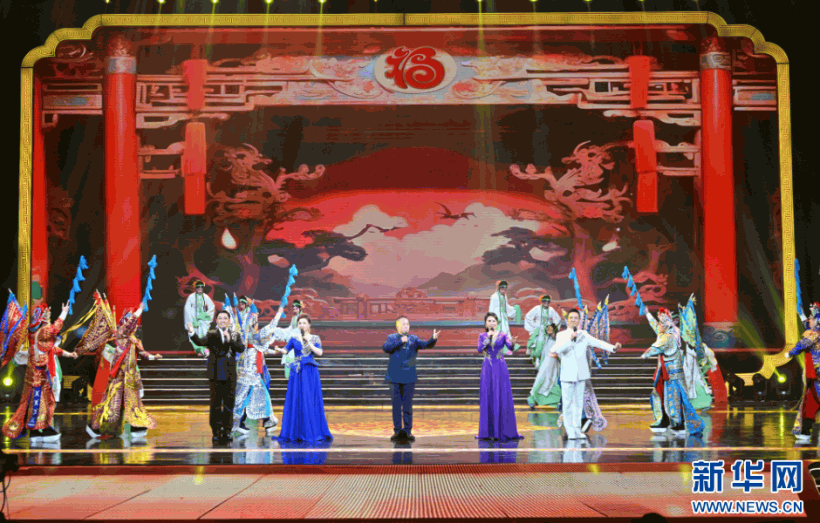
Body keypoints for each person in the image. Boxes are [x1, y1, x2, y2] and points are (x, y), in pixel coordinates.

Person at [2, 301, 78, 442]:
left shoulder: (37, 334)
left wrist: (69, 354)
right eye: (48, 317)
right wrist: (64, 312)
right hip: (37, 376)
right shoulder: (41, 332)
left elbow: (53, 349)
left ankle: (40, 429)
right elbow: (55, 328)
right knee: (39, 402)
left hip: (41, 374)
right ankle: (36, 431)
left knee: (44, 401)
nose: (49, 321)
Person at [86, 302, 162, 440]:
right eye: (130, 320)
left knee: (133, 403)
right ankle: (95, 427)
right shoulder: (120, 334)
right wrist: (139, 310)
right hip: (118, 377)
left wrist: (152, 357)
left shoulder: (134, 340)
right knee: (112, 405)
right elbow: (127, 327)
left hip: (131, 377)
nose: (133, 324)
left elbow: (143, 353)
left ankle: (136, 427)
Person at [550, 309, 620, 440]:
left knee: (578, 404)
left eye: (576, 318)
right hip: (567, 374)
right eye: (571, 318)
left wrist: (612, 348)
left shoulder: (584, 334)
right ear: (567, 320)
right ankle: (570, 431)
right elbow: (557, 349)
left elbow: (598, 343)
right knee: (567, 404)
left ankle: (577, 431)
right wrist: (570, 340)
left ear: (579, 320)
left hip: (581, 374)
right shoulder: (561, 335)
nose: (573, 320)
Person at [641, 308, 705, 437]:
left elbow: (652, 350)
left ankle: (678, 425)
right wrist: (647, 313)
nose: (658, 325)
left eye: (660, 322)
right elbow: (654, 325)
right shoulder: (666, 333)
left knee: (674, 397)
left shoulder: (670, 336)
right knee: (660, 395)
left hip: (673, 373)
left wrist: (644, 355)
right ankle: (663, 421)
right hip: (665, 371)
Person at [188, 310, 246, 444]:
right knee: (215, 405)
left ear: (229, 321)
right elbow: (200, 342)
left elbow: (241, 348)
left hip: (230, 375)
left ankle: (227, 431)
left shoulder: (235, 334)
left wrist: (230, 340)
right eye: (220, 318)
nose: (223, 321)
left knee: (229, 405)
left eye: (225, 318)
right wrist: (192, 333)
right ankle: (216, 431)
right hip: (215, 374)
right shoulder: (211, 334)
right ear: (216, 321)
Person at [232, 305, 289, 437]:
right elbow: (270, 327)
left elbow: (260, 348)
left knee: (259, 396)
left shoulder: (249, 337)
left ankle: (267, 421)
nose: (255, 322)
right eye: (254, 320)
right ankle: (237, 423)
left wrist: (273, 351)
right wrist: (279, 312)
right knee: (242, 399)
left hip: (254, 373)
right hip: (248, 374)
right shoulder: (252, 336)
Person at [274, 314, 332, 442]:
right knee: (297, 398)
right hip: (297, 371)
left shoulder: (315, 338)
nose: (302, 325)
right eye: (300, 323)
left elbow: (319, 352)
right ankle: (296, 432)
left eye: (304, 323)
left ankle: (312, 430)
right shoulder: (294, 338)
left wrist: (309, 343)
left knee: (309, 398)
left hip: (310, 371)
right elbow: (286, 350)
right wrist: (278, 349)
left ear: (309, 325)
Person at [382, 316, 440, 441]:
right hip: (394, 377)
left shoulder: (414, 339)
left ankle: (407, 431)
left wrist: (433, 339)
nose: (406, 326)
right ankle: (397, 431)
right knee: (396, 406)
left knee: (407, 406)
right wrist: (400, 341)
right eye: (403, 324)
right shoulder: (391, 338)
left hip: (409, 377)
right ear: (397, 326)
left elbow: (426, 345)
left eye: (407, 324)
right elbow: (386, 348)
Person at [477, 312, 523, 441]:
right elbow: (479, 349)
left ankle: (503, 430)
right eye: (489, 321)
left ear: (497, 323)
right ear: (486, 323)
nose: (492, 323)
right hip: (487, 368)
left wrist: (512, 343)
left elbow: (509, 346)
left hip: (500, 367)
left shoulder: (503, 335)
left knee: (501, 395)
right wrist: (488, 339)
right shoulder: (482, 336)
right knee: (488, 395)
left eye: (493, 321)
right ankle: (488, 431)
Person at [788, 304, 820, 443]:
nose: (809, 320)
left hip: (817, 374)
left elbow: (803, 343)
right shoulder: (815, 331)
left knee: (810, 403)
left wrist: (790, 353)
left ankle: (804, 432)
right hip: (815, 375)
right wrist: (801, 316)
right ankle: (804, 432)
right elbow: (808, 327)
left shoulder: (815, 333)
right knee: (809, 403)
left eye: (811, 318)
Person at [525, 295, 563, 408]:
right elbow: (528, 317)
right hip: (540, 335)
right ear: (541, 301)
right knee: (542, 373)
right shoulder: (537, 309)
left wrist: (551, 329)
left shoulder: (555, 339)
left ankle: (548, 398)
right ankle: (533, 396)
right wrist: (535, 328)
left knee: (550, 376)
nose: (546, 303)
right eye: (544, 301)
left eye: (548, 301)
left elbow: (557, 320)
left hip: (551, 358)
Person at [184, 280, 215, 356]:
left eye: (201, 288)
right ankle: (199, 350)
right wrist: (190, 320)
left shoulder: (205, 297)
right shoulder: (191, 297)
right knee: (193, 335)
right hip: (193, 317)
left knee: (203, 335)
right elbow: (187, 309)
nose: (200, 290)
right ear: (196, 289)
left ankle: (204, 350)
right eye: (198, 288)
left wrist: (205, 315)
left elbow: (212, 306)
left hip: (202, 318)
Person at [488, 281, 520, 351]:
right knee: (498, 333)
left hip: (504, 317)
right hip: (497, 318)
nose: (504, 290)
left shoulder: (504, 296)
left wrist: (514, 309)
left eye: (505, 289)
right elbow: (492, 308)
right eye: (503, 289)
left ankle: (506, 349)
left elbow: (506, 307)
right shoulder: (494, 297)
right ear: (499, 289)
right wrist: (494, 318)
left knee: (506, 332)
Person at [280, 300, 302, 380]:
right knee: (289, 357)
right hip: (293, 338)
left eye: (296, 308)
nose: (295, 310)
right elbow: (291, 328)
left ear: (299, 309)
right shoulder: (293, 318)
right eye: (293, 309)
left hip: (299, 340)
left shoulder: (302, 318)